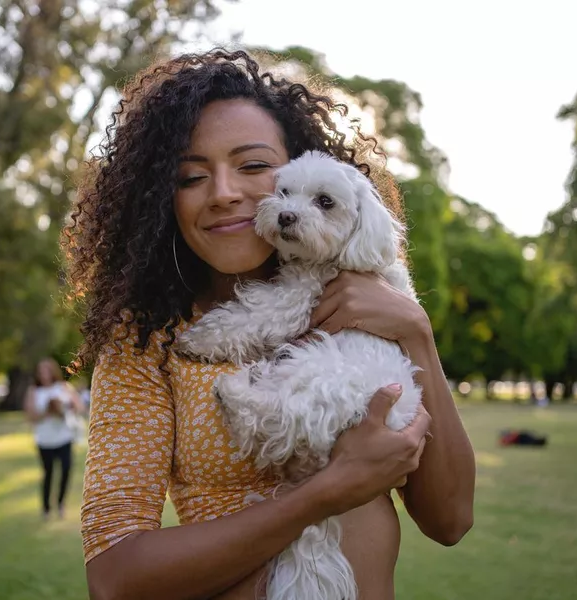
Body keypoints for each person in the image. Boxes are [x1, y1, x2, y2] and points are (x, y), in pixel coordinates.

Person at [64, 49, 476, 600]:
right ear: (162, 197)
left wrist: (416, 334)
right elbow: (114, 578)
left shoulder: (368, 302)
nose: (225, 192)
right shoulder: (149, 341)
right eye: (191, 176)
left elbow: (450, 521)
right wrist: (324, 494)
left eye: (254, 166)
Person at [24, 357, 85, 520]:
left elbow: (79, 406)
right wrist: (47, 411)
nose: (44, 374)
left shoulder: (63, 387)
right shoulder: (34, 391)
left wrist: (66, 408)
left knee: (66, 470)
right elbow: (30, 415)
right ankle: (46, 507)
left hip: (64, 437)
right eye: (41, 371)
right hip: (45, 439)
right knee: (48, 473)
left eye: (47, 371)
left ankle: (60, 504)